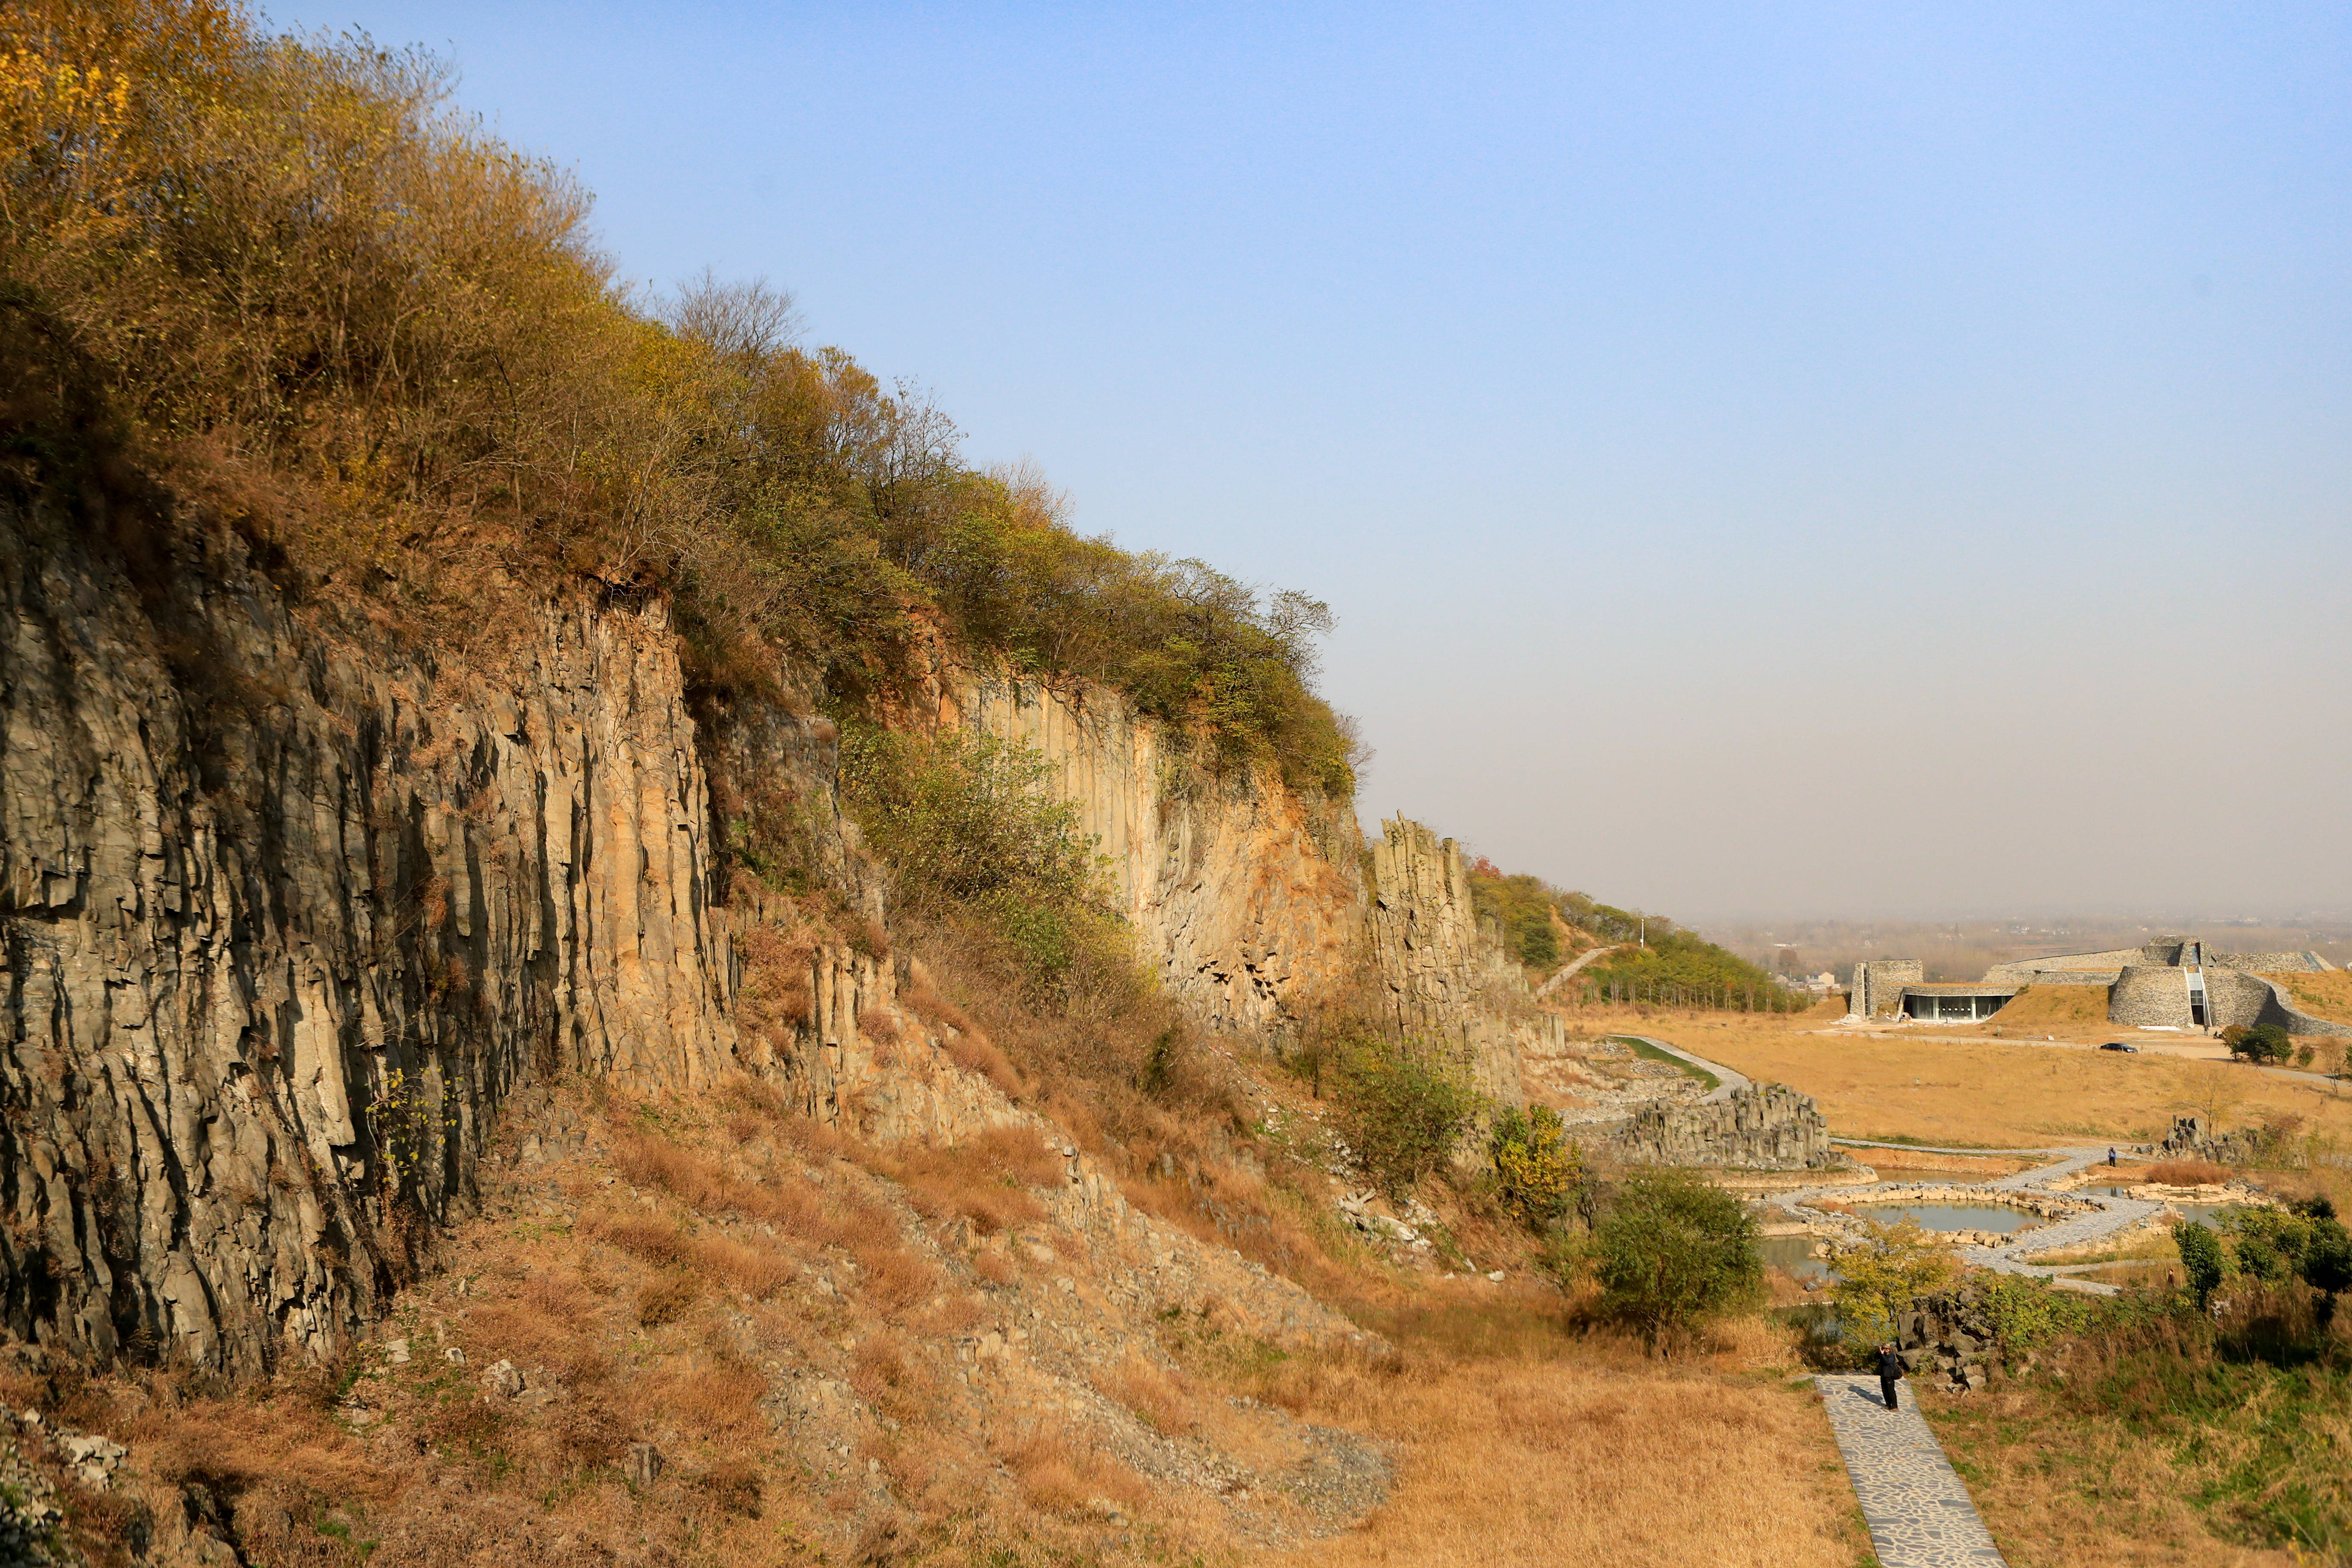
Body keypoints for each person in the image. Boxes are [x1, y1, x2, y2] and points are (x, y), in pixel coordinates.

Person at [1875, 1342, 1905, 1410]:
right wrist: (1880, 1352)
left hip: (1889, 1375)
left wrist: (1883, 1354)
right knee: (1885, 1391)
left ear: (1890, 1349)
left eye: (1887, 1349)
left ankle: (1895, 1406)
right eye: (1884, 1348)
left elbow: (1887, 1362)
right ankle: (1888, 1405)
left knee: (1891, 1391)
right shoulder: (1883, 1355)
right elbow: (1877, 1357)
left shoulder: (1891, 1355)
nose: (1886, 1350)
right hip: (1884, 1375)